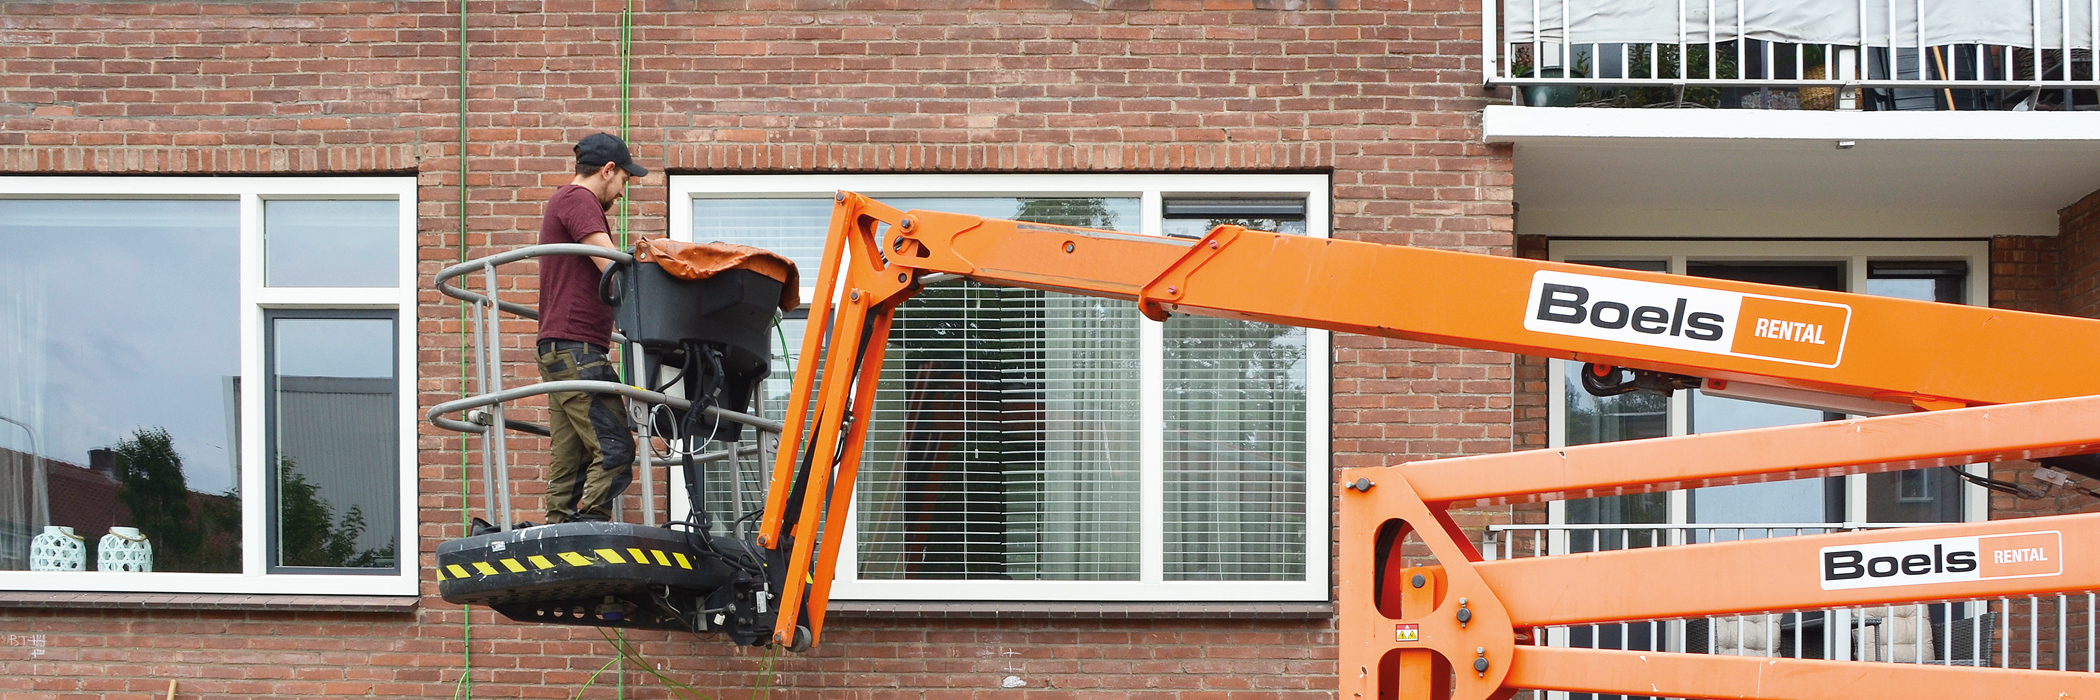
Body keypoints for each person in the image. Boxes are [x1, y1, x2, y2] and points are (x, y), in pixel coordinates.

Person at [532, 132, 649, 526]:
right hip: (576, 347)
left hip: (559, 350)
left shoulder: (565, 201)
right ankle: (588, 527)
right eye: (623, 182)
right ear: (608, 170)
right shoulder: (578, 199)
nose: (621, 193)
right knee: (615, 448)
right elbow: (615, 272)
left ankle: (558, 528)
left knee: (572, 456)